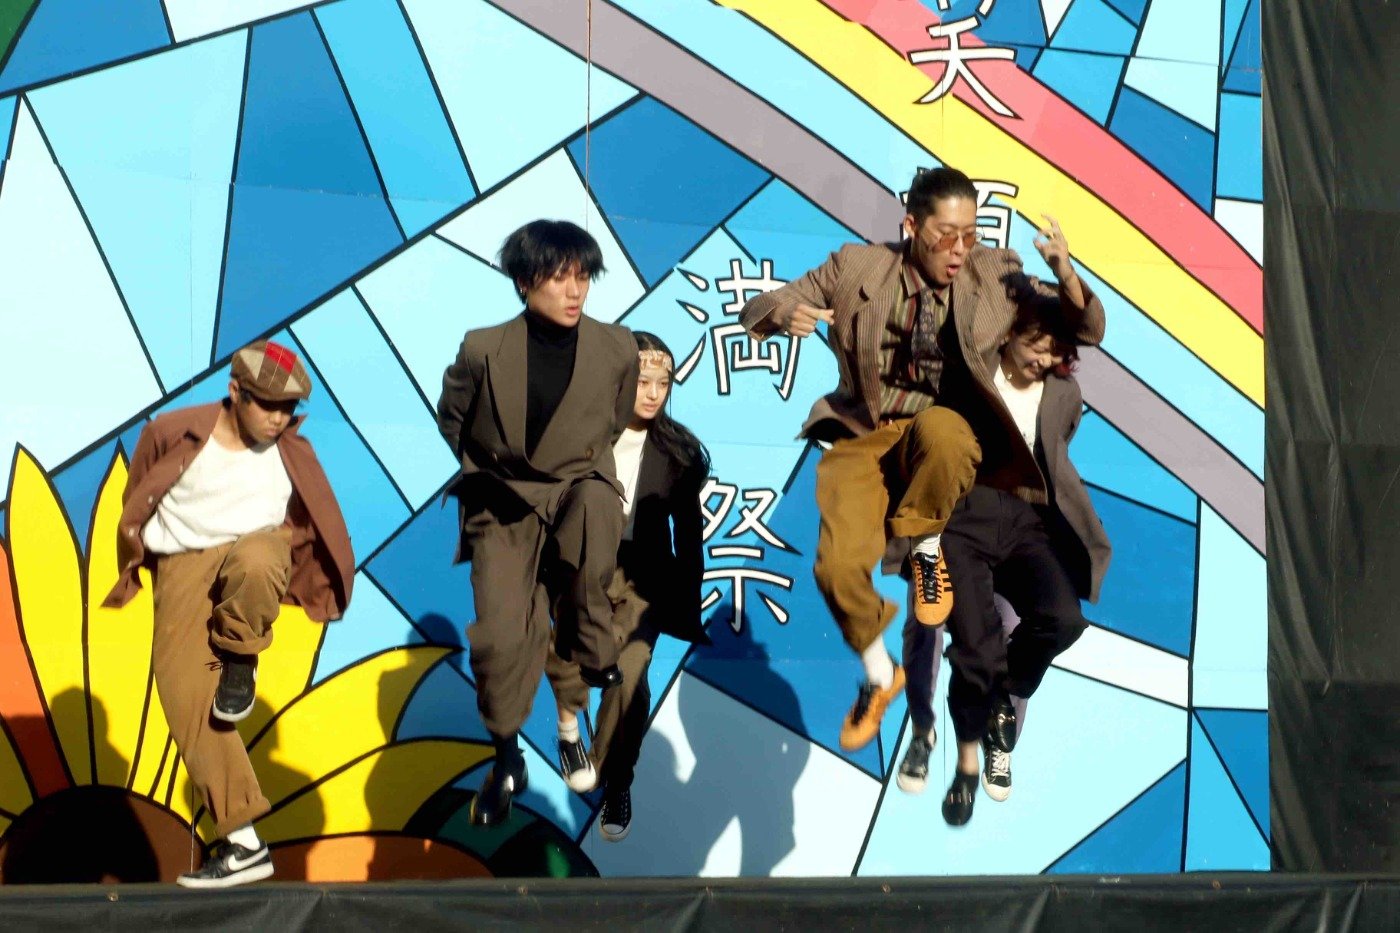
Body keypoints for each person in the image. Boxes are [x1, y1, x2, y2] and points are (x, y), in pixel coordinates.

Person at [739, 166, 1104, 753]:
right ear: (911, 225)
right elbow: (772, 301)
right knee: (836, 567)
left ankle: (928, 545)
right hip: (866, 433)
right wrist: (779, 314)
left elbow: (1080, 328)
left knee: (947, 432)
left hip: (938, 435)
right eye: (946, 235)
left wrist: (1065, 273)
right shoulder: (856, 267)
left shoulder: (995, 273)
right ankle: (879, 674)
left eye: (970, 234)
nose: (960, 250)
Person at [103, 340, 354, 888]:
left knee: (261, 557)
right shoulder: (174, 432)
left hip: (253, 553)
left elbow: (316, 524)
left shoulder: (292, 451)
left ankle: (241, 658)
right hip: (184, 565)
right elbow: (140, 488)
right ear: (235, 392)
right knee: (186, 701)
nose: (278, 418)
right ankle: (243, 844)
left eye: (288, 407)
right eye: (267, 404)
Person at [436, 219, 639, 827]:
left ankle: (573, 714)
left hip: (575, 488)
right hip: (503, 501)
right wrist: (492, 471)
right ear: (525, 282)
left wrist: (574, 472)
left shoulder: (617, 348)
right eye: (559, 278)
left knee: (596, 513)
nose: (575, 291)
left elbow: (613, 422)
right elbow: (454, 417)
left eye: (584, 277)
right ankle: (505, 756)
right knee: (501, 640)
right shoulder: (483, 348)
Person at [896, 300, 1112, 825]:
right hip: (961, 517)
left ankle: (1003, 709)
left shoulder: (1063, 393)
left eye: (1054, 352)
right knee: (970, 642)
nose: (1043, 359)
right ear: (1009, 335)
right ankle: (950, 745)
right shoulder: (970, 370)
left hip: (1022, 521)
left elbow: (1055, 449)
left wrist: (1066, 277)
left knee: (1062, 620)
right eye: (1035, 346)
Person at [545, 331, 711, 842]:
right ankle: (574, 740)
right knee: (581, 663)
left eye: (664, 383)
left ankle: (612, 777)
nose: (654, 393)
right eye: (643, 381)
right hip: (583, 573)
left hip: (645, 582)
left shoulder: (679, 451)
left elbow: (689, 533)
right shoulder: (582, 435)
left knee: (628, 677)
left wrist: (687, 601)